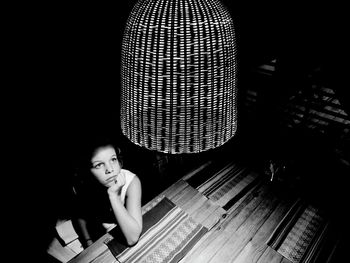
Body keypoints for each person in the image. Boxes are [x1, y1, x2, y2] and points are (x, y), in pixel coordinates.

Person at [72, 135, 142, 248]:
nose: (110, 169)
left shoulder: (132, 182)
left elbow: (132, 238)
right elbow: (80, 214)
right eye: (99, 165)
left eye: (113, 159)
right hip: (98, 234)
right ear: (87, 171)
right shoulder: (85, 184)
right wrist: (87, 241)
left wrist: (113, 196)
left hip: (123, 231)